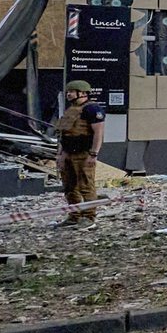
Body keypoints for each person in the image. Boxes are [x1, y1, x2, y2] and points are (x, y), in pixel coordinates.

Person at [53, 79, 108, 224]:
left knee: (85, 185)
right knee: (69, 187)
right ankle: (74, 216)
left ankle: (89, 216)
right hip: (68, 153)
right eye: (68, 92)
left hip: (83, 153)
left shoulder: (92, 109)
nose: (69, 94)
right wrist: (60, 155)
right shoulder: (70, 110)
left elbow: (98, 133)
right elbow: (63, 135)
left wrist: (93, 154)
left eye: (71, 91)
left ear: (82, 93)